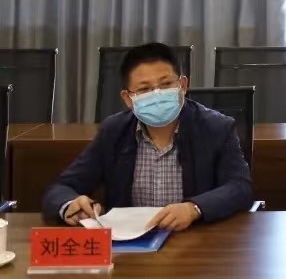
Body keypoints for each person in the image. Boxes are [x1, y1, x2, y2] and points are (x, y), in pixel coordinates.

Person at [42, 43, 253, 230]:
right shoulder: (114, 131)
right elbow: (61, 188)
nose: (157, 94)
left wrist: (194, 208)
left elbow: (240, 187)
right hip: (130, 246)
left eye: (166, 84)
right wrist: (70, 204)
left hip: (194, 241)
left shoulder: (217, 128)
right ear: (128, 98)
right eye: (144, 89)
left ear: (183, 85)